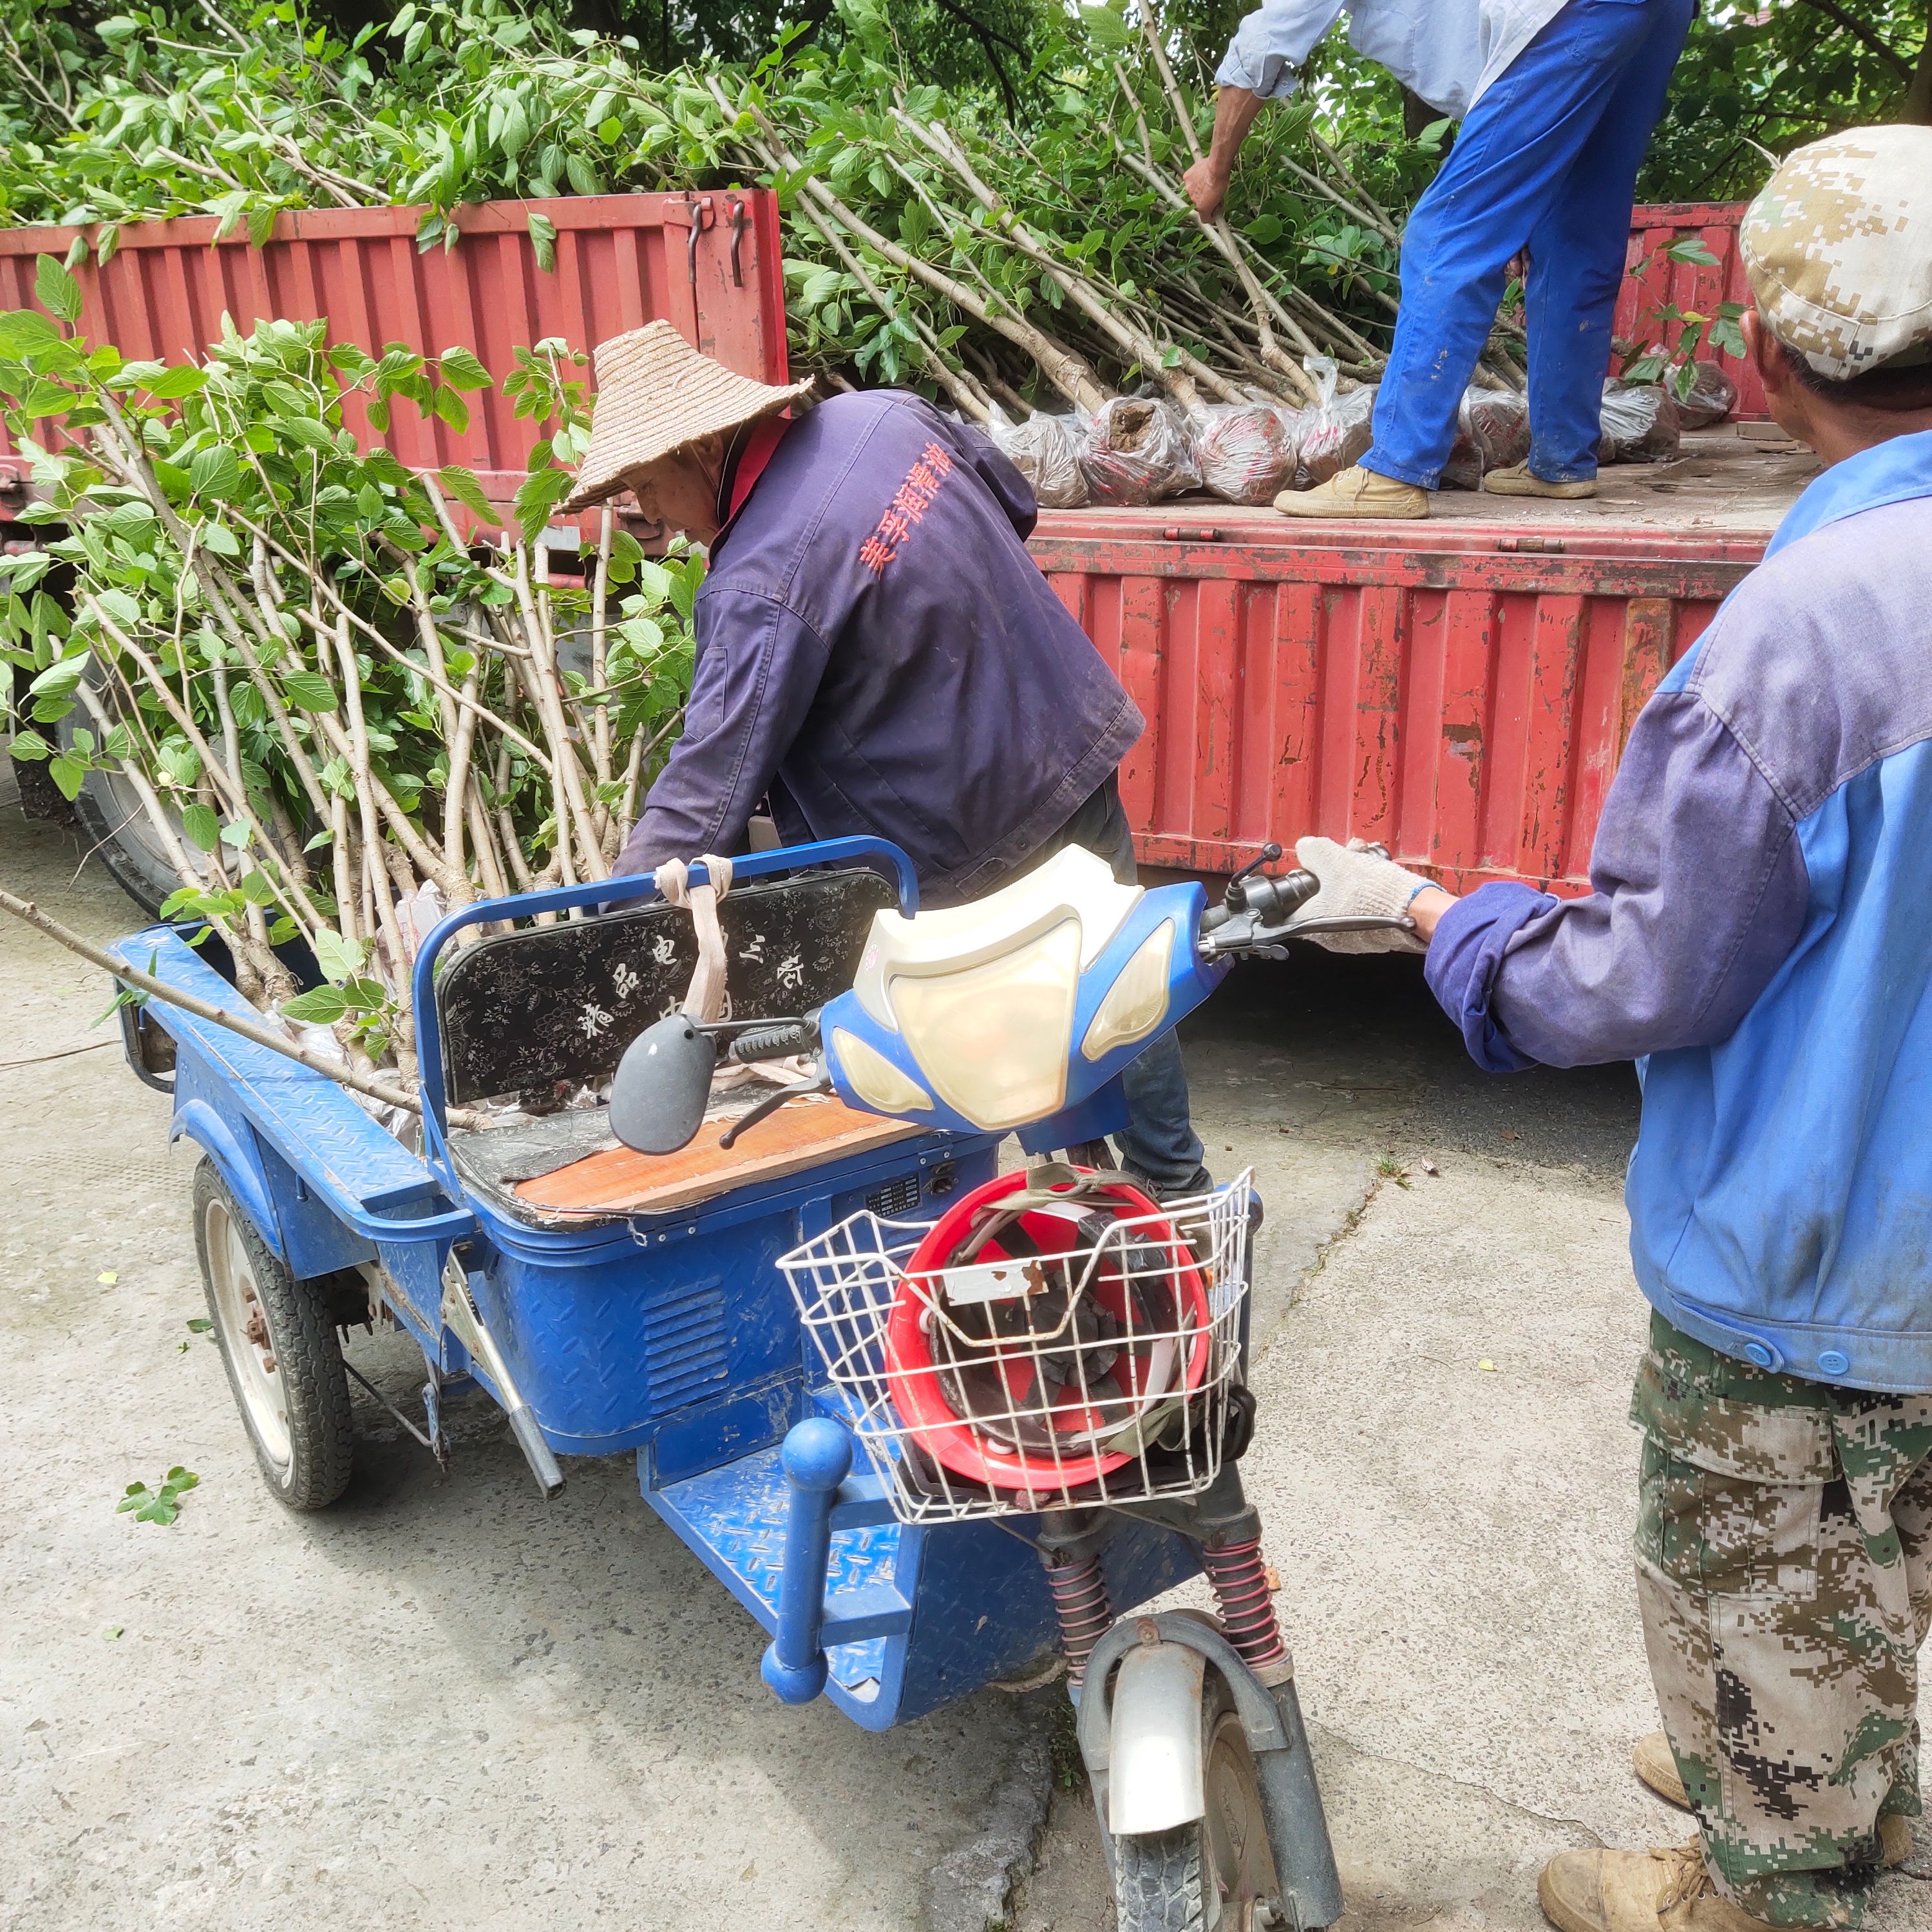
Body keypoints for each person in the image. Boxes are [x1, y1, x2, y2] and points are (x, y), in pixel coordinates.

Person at [1284, 128, 1932, 1932]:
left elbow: (1637, 982)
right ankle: (1831, 1769)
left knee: (1771, 1569)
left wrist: (1444, 922)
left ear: (1761, 368)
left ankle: (1768, 1870)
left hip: (1819, 1284)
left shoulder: (1798, 646)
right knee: (1882, 1563)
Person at [560, 320, 1211, 1198]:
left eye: (646, 484)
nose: (649, 512)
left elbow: (709, 786)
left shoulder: (759, 580)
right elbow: (1014, 503)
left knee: (995, 1018)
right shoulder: (887, 417)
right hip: (1062, 726)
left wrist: (604, 924)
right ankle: (1175, 1191)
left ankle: (1096, 1192)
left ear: (704, 445)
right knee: (1112, 974)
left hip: (963, 810)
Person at [1184, 0, 1694, 520]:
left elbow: (1268, 38)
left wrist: (1217, 167)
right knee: (1575, 233)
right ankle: (1562, 462)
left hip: (1563, 12)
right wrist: (1513, 191)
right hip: (1652, 12)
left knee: (1448, 233)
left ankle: (1396, 469)